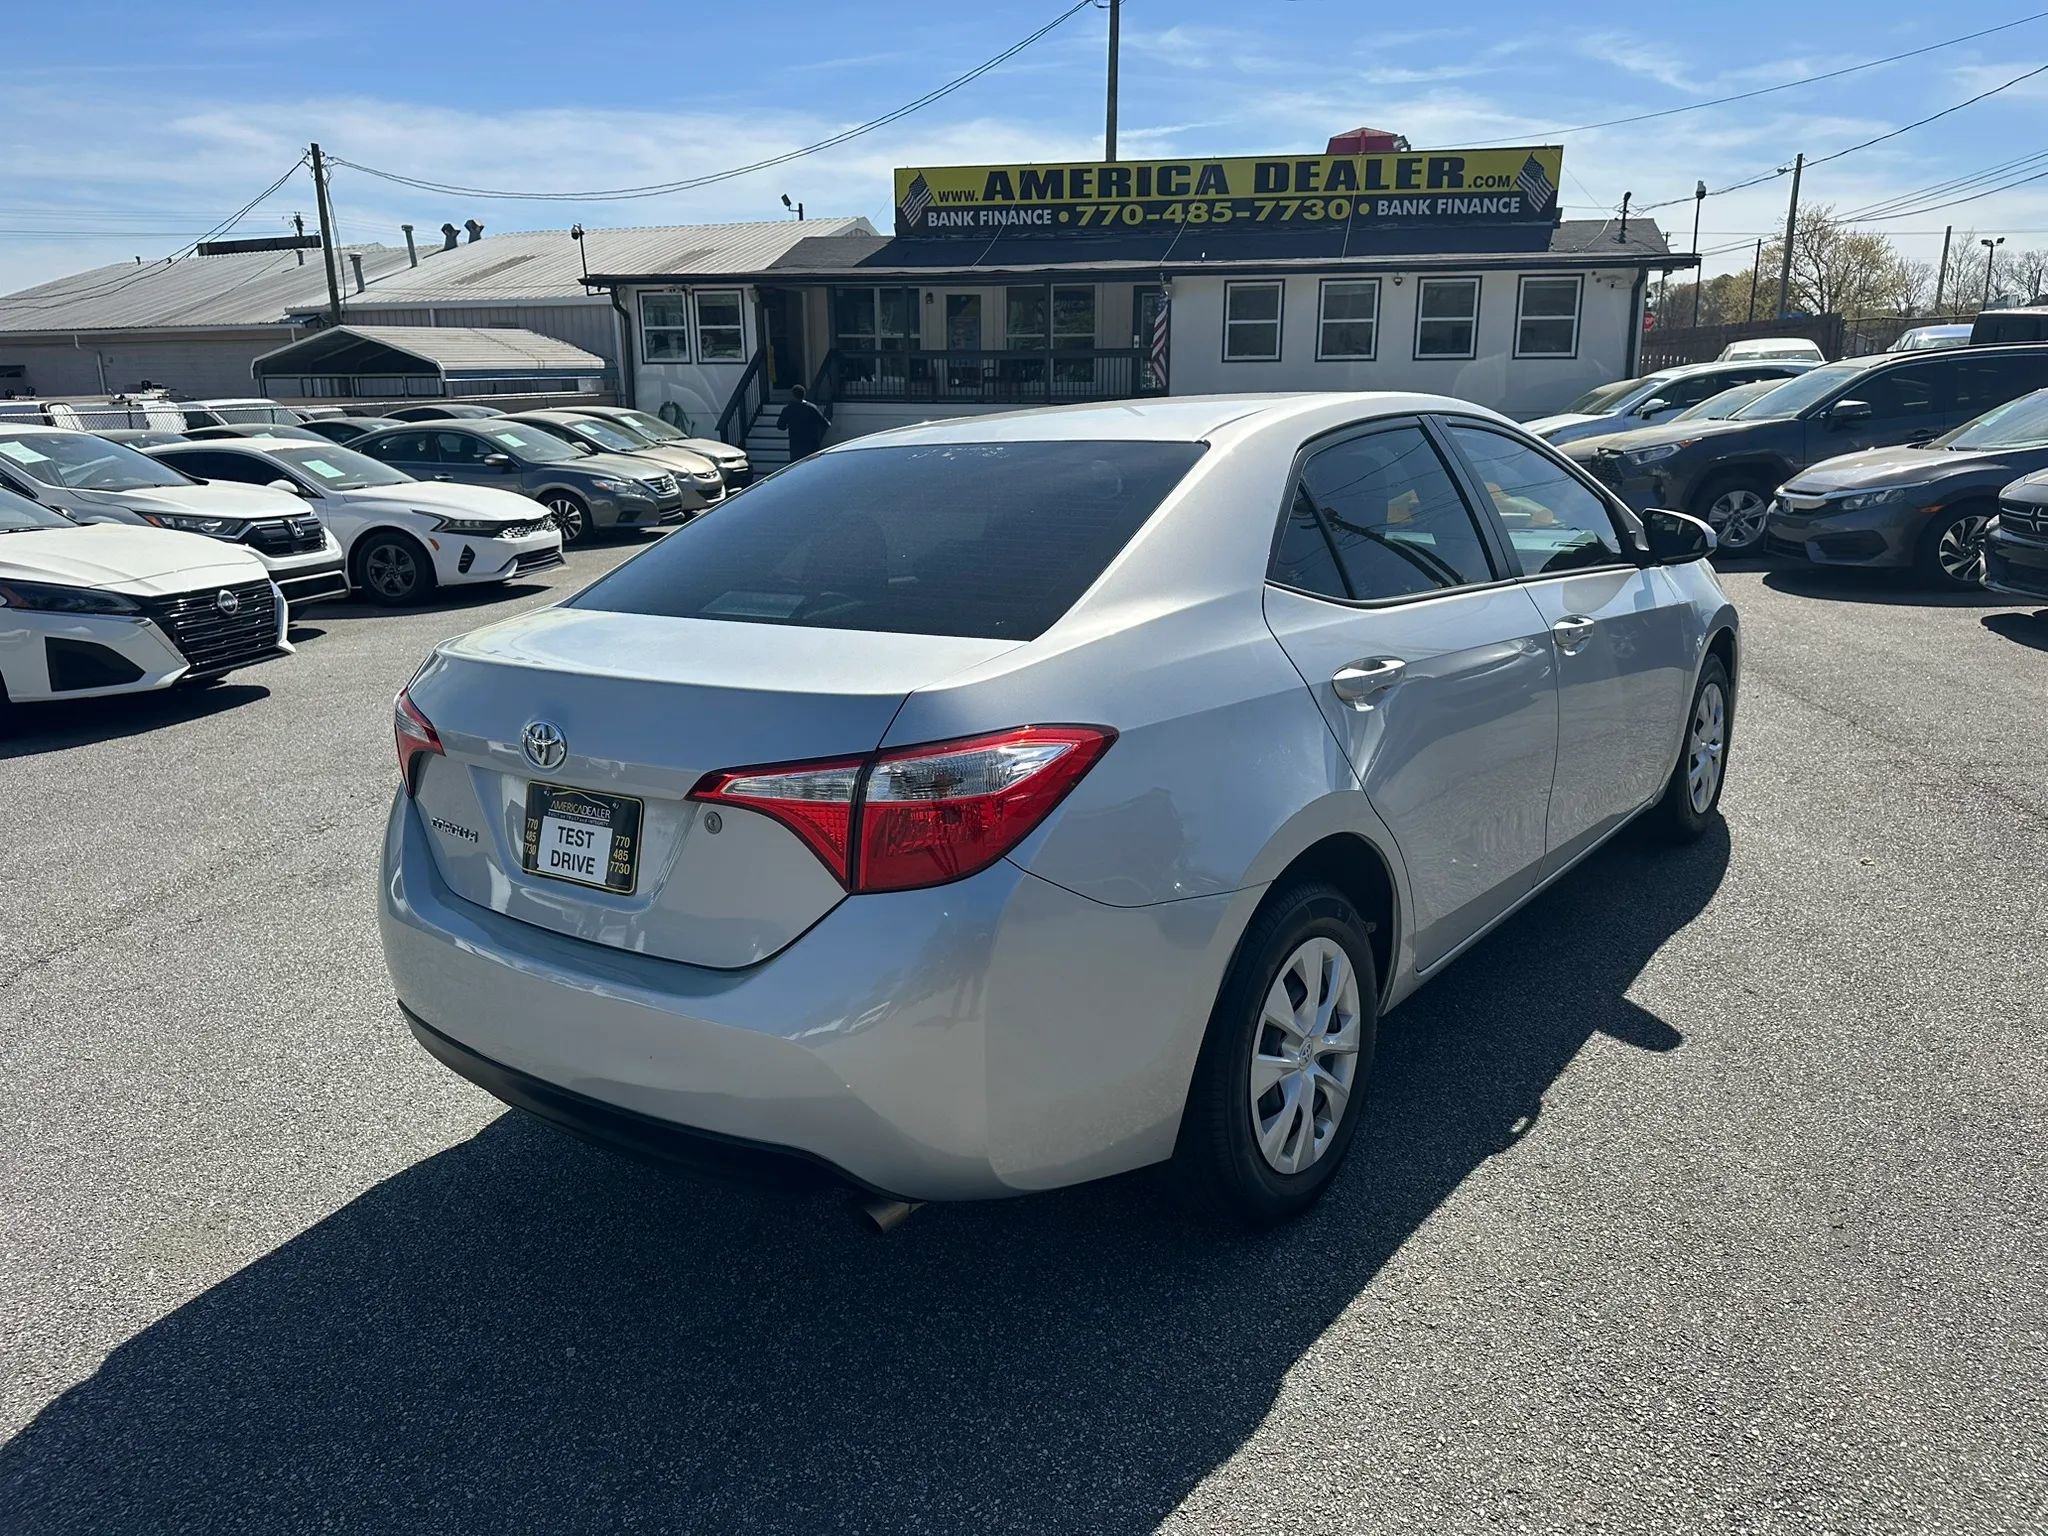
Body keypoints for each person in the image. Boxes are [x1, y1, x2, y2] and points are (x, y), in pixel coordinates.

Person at [776, 386, 830, 462]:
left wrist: (789, 425)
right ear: (804, 394)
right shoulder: (812, 408)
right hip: (811, 444)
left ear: (793, 395)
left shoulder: (788, 409)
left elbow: (780, 426)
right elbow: (826, 423)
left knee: (797, 467)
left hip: (796, 445)